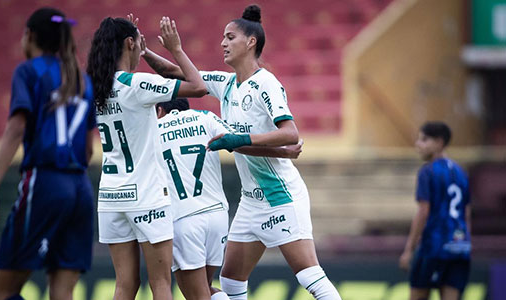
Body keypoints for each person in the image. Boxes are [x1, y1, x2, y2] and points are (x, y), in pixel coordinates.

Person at [142, 5, 341, 300]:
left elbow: (290, 133)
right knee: (232, 281)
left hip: (279, 194)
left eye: (230, 37)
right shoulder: (226, 84)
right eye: (223, 37)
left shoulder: (266, 84)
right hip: (250, 201)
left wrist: (239, 138)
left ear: (250, 42)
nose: (223, 43)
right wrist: (145, 52)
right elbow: (174, 72)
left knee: (309, 275)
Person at [86, 15, 206, 300]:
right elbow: (199, 86)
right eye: (138, 43)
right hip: (146, 194)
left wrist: (140, 48)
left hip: (111, 196)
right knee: (161, 285)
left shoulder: (96, 88)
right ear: (130, 44)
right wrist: (175, 48)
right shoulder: (136, 84)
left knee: (124, 285)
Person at [0, 7, 95, 300]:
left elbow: (16, 129)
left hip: (45, 182)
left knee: (4, 292)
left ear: (29, 36)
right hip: (80, 188)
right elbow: (88, 149)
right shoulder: (83, 81)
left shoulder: (29, 72)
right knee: (63, 293)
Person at [156, 98, 232, 300]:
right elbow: (236, 139)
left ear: (159, 110)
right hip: (218, 216)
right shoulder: (205, 117)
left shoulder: (153, 128)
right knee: (205, 290)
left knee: (197, 296)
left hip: (184, 219)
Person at [399, 121, 471, 300]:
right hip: (460, 246)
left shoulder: (428, 172)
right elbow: (467, 213)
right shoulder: (461, 172)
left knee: (418, 295)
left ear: (439, 142)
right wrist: (466, 241)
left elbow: (424, 211)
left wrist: (409, 249)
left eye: (424, 139)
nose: (418, 144)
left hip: (434, 246)